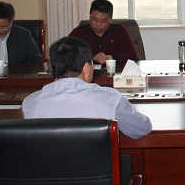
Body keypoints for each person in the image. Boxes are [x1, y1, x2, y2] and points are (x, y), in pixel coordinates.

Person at [22, 36, 152, 139]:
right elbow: (142, 128)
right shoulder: (110, 99)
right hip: (96, 166)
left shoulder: (30, 102)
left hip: (45, 166)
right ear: (86, 68)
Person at [68, 0, 138, 67]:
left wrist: (110, 58)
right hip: (86, 72)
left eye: (103, 21)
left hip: (116, 72)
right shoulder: (79, 32)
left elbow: (133, 55)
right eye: (94, 19)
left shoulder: (119, 30)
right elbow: (65, 54)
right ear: (90, 17)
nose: (98, 24)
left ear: (110, 19)